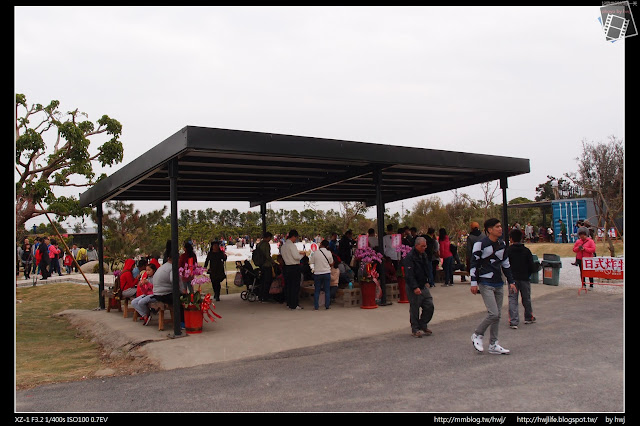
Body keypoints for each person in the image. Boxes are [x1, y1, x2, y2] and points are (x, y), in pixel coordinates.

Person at [470, 218, 515, 355]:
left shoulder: (503, 244)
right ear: (489, 230)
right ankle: (477, 334)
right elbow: (473, 263)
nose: (500, 229)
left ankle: (493, 344)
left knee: (498, 315)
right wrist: (473, 282)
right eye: (497, 227)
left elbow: (506, 264)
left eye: (500, 226)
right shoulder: (480, 244)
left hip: (498, 282)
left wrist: (511, 281)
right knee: (493, 313)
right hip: (485, 282)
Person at [402, 237, 435, 338]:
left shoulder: (424, 255)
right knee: (415, 307)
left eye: (425, 246)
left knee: (429, 305)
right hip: (414, 286)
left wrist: (428, 281)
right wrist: (415, 287)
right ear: (416, 246)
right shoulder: (410, 257)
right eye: (422, 246)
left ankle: (423, 323)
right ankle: (415, 328)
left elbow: (427, 269)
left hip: (423, 285)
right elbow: (409, 274)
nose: (424, 248)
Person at [506, 228, 537, 329]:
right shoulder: (526, 251)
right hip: (524, 277)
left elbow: (505, 265)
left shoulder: (508, 251)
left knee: (513, 299)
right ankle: (528, 316)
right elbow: (532, 266)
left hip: (512, 279)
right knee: (526, 298)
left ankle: (514, 321)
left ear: (511, 239)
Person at [281, 229, 305, 310]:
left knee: (288, 286)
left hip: (286, 267)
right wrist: (303, 255)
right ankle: (294, 304)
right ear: (294, 237)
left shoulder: (283, 246)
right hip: (294, 267)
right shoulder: (292, 245)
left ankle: (289, 303)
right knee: (295, 287)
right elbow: (296, 257)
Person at [310, 239, 334, 310]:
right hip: (326, 272)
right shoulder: (329, 253)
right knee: (327, 290)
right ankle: (327, 306)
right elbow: (331, 262)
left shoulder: (315, 253)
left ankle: (316, 306)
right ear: (327, 246)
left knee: (317, 290)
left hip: (317, 273)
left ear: (321, 244)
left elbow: (311, 261)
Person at [253, 232, 276, 302]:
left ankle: (261, 295)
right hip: (267, 265)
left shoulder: (259, 244)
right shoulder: (266, 244)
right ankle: (266, 296)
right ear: (268, 237)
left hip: (261, 265)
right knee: (267, 281)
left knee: (262, 281)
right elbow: (267, 256)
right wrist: (273, 262)